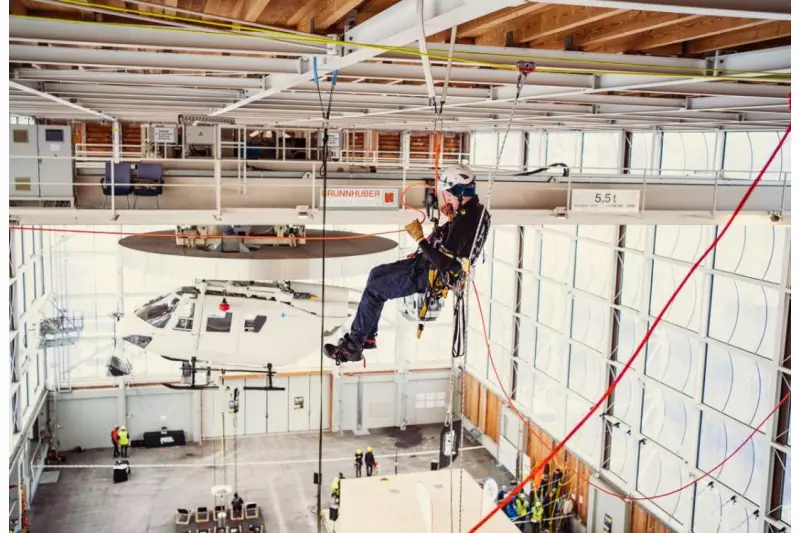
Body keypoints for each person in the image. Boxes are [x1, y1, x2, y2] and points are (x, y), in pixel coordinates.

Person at [324, 164, 491, 363]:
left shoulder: (466, 221)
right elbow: (458, 244)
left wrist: (420, 239)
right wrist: (450, 219)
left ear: (460, 193)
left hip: (426, 274)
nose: (448, 199)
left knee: (375, 291)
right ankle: (367, 337)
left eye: (450, 196)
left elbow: (447, 265)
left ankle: (352, 347)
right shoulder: (476, 213)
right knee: (376, 274)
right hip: (423, 264)